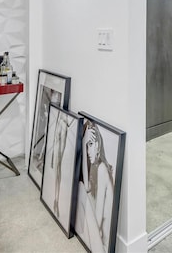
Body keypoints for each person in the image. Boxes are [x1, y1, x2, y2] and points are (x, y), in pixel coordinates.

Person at [76, 120, 114, 252]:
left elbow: (97, 220)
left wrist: (85, 232)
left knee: (82, 192)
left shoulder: (102, 169)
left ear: (98, 145)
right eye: (86, 145)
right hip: (100, 239)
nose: (88, 151)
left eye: (91, 144)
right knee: (81, 188)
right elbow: (85, 186)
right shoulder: (96, 168)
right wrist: (83, 141)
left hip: (104, 246)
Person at [49, 106, 73, 218]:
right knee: (57, 172)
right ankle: (56, 200)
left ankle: (56, 200)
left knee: (58, 171)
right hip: (58, 152)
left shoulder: (63, 121)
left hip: (59, 152)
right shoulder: (61, 120)